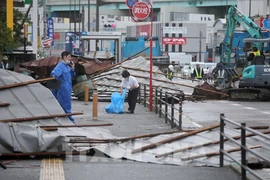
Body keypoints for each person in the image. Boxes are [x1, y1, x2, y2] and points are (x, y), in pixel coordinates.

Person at [50, 51, 76, 123]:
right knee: (65, 105)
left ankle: (66, 120)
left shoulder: (67, 66)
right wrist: (53, 76)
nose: (70, 59)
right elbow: (54, 73)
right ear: (64, 57)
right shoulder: (60, 66)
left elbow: (72, 75)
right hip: (63, 89)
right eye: (69, 57)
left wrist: (73, 68)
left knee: (66, 104)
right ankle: (70, 120)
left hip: (68, 88)